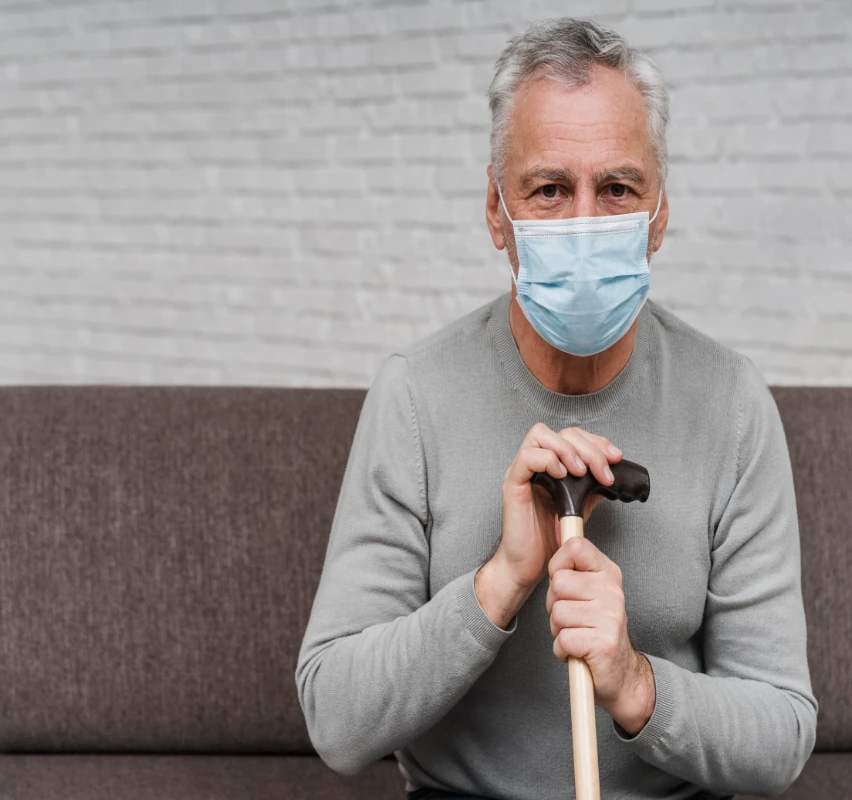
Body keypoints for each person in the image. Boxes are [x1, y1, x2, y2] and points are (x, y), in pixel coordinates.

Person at [294, 17, 816, 800]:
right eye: (548, 190)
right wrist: (500, 581)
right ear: (497, 214)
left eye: (617, 189)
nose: (584, 224)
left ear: (660, 214)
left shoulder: (732, 403)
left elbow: (781, 737)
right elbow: (336, 720)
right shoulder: (415, 395)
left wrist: (636, 683)